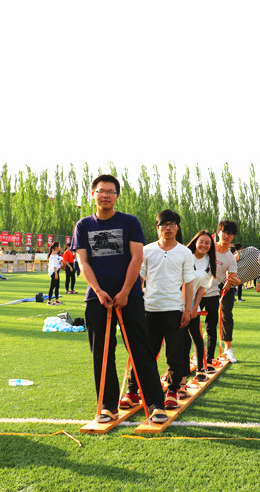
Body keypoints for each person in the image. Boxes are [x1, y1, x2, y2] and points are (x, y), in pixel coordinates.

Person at [73, 174, 168, 425]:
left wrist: (125, 291)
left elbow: (137, 258)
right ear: (93, 194)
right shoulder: (83, 225)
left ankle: (155, 405)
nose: (105, 195)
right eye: (101, 191)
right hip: (97, 298)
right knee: (102, 354)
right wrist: (97, 290)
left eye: (110, 191)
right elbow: (83, 262)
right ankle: (108, 406)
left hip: (130, 296)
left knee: (140, 350)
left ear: (117, 196)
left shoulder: (129, 222)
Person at [133, 209, 195, 410]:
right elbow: (139, 278)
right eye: (164, 224)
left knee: (174, 353)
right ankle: (134, 389)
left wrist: (187, 309)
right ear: (157, 228)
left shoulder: (185, 252)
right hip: (149, 308)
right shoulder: (147, 250)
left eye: (172, 224)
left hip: (174, 309)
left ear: (177, 227)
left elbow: (188, 283)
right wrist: (136, 304)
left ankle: (172, 390)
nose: (168, 228)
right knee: (145, 352)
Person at [183, 230, 216, 383]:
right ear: (195, 242)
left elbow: (202, 288)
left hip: (192, 304)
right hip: (175, 302)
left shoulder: (209, 262)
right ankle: (180, 370)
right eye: (201, 241)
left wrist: (195, 307)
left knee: (196, 336)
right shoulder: (185, 255)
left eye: (207, 243)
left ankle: (200, 368)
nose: (204, 245)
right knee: (180, 338)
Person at [207, 220, 240, 364]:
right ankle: (192, 351)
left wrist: (232, 282)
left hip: (219, 287)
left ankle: (227, 349)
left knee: (226, 316)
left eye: (230, 234)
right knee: (192, 317)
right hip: (199, 286)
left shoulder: (230, 257)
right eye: (224, 232)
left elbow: (233, 276)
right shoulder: (208, 247)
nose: (226, 236)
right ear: (218, 232)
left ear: (233, 237)